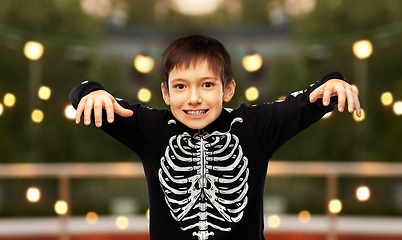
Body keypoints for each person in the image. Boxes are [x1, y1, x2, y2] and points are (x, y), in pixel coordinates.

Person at [70, 35, 361, 240]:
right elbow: (88, 95)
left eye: (207, 84)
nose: (194, 98)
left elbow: (313, 98)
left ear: (229, 89)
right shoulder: (151, 129)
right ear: (165, 93)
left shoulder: (253, 126)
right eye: (180, 86)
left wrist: (334, 81)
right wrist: (91, 90)